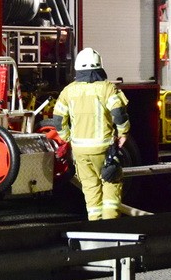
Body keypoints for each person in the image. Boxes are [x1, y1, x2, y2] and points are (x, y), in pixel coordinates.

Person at [50, 48, 131, 221]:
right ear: (100, 66)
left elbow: (58, 120)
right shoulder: (108, 89)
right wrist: (123, 133)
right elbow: (119, 114)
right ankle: (110, 227)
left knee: (90, 189)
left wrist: (67, 138)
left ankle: (95, 226)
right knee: (111, 183)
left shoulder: (68, 91)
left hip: (80, 151)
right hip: (104, 150)